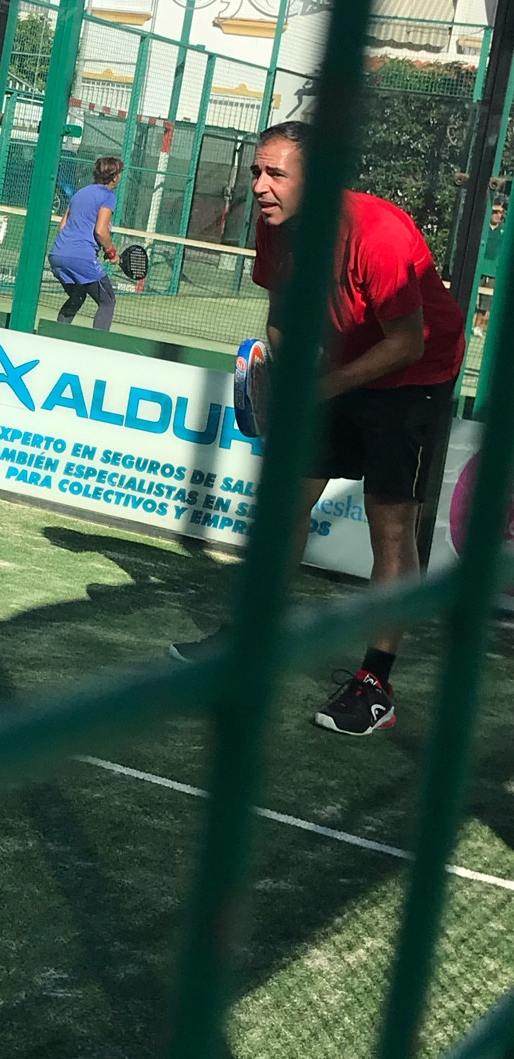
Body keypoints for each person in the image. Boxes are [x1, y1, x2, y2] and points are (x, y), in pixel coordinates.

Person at [170, 120, 465, 736]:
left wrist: (319, 389)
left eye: (275, 173)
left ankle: (376, 685)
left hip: (415, 373)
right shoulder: (276, 226)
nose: (259, 185)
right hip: (337, 365)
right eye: (257, 171)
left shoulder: (378, 235)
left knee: (391, 524)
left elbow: (407, 343)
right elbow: (282, 312)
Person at [48, 155, 124, 333]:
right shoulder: (108, 196)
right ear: (114, 177)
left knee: (77, 296)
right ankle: (97, 345)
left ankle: (56, 337)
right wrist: (111, 252)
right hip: (81, 258)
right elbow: (101, 231)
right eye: (119, 173)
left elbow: (62, 227)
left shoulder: (79, 193)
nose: (120, 176)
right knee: (107, 301)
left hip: (57, 254)